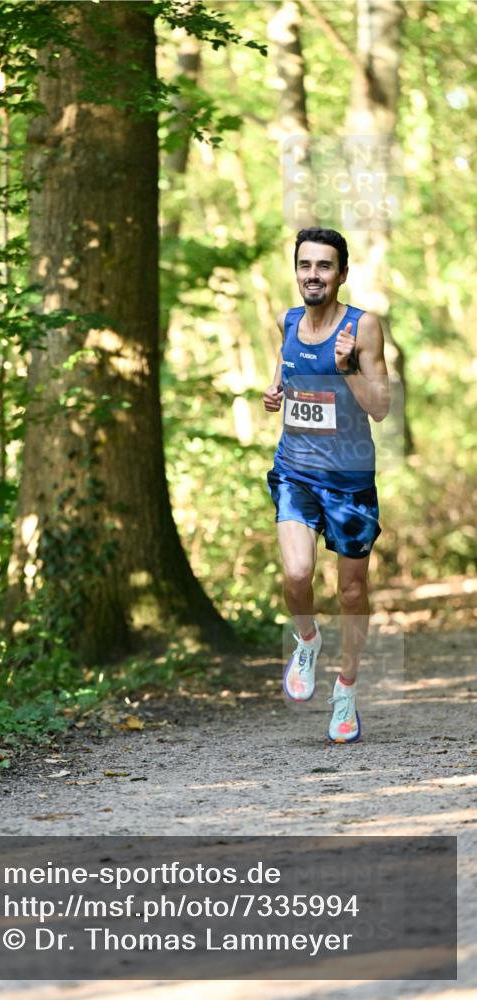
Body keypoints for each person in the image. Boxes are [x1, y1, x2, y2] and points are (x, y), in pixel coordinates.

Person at [263, 228, 390, 743]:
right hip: (296, 470)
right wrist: (276, 391)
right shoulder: (286, 320)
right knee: (296, 574)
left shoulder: (363, 328)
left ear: (341, 273)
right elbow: (286, 368)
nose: (312, 274)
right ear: (296, 270)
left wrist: (344, 369)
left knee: (352, 590)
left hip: (350, 479)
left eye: (324, 266)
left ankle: (347, 688)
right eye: (305, 265)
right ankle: (307, 639)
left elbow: (379, 406)